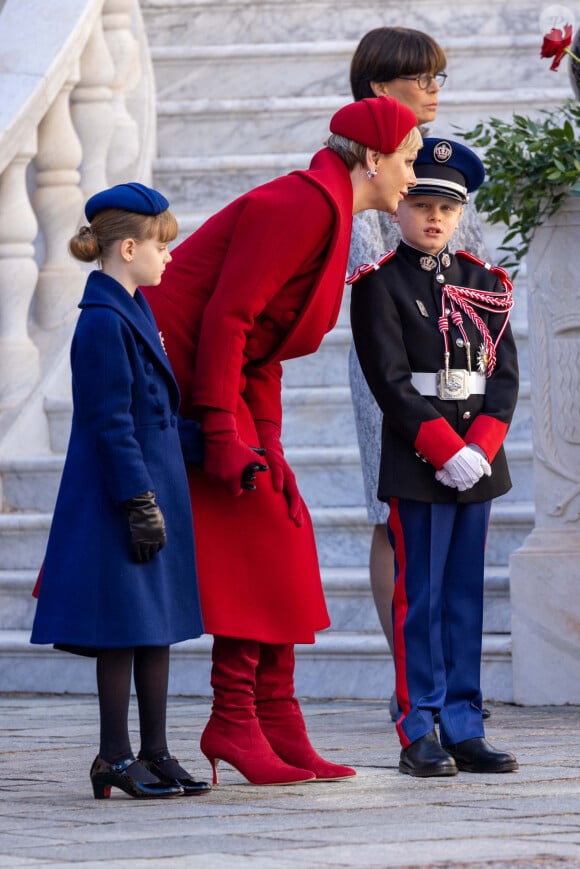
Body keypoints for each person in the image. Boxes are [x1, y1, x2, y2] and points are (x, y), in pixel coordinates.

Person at [141, 96, 422, 786]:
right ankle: (234, 718)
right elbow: (229, 319)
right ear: (374, 157)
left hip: (224, 375)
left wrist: (266, 441)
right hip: (170, 369)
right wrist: (219, 429)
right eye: (409, 161)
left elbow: (261, 350)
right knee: (263, 531)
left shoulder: (329, 209)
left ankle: (276, 714)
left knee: (286, 523)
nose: (413, 179)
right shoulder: (300, 205)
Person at [30, 183, 210, 800]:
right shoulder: (103, 323)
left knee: (153, 625)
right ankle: (113, 755)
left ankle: (156, 752)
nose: (169, 257)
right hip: (123, 497)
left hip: (154, 487)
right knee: (121, 628)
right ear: (127, 247)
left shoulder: (133, 308)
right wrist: (138, 502)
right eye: (162, 247)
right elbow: (109, 423)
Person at [349, 138, 519, 777]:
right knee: (416, 597)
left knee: (463, 598)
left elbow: (501, 381)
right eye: (420, 203)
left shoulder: (487, 282)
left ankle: (463, 722)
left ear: (461, 211)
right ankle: (418, 727)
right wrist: (444, 451)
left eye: (446, 207)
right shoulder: (377, 285)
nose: (434, 218)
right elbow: (388, 381)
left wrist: (478, 451)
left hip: (475, 464)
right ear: (398, 209)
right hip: (418, 460)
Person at [347, 27, 491, 722]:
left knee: (450, 526)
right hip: (390, 357)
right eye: (420, 76)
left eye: (439, 76)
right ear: (380, 88)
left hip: (456, 354)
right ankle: (412, 681)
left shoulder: (437, 161)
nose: (435, 88)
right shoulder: (358, 159)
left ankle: (442, 684)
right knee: (392, 515)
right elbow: (363, 268)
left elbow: (475, 259)